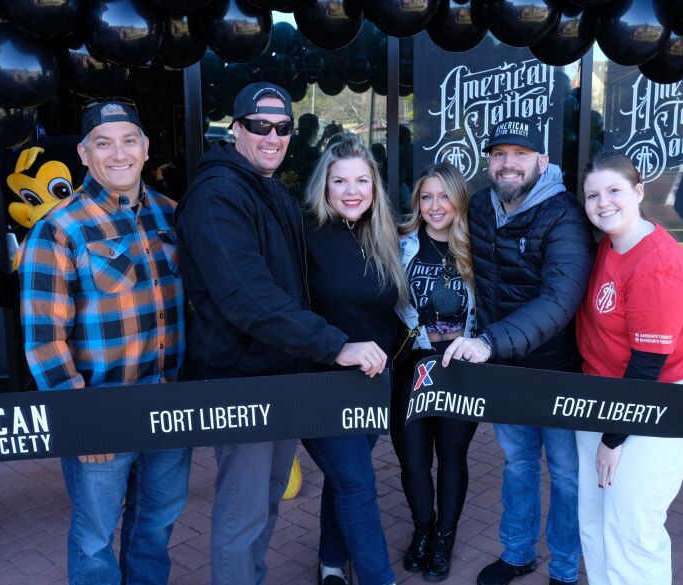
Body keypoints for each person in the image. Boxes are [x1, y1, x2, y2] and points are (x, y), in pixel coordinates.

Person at [174, 83, 384, 585]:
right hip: (243, 381)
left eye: (283, 127)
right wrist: (335, 344)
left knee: (265, 504)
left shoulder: (267, 188)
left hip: (279, 376)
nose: (273, 136)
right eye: (260, 125)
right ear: (236, 128)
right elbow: (248, 298)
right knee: (242, 514)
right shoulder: (217, 195)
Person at [18, 98, 191, 584]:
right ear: (83, 153)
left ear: (146, 147)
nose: (119, 154)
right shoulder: (57, 229)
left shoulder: (173, 215)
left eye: (129, 140)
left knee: (155, 529)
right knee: (95, 540)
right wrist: (81, 420)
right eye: (103, 143)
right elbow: (43, 339)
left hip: (170, 407)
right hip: (103, 412)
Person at [441, 116, 593, 585]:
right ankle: (518, 553)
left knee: (567, 476)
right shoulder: (482, 208)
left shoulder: (565, 214)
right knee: (518, 464)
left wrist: (487, 342)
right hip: (506, 370)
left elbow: (559, 300)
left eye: (520, 154)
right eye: (499, 154)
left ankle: (565, 570)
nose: (508, 164)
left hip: (558, 373)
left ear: (542, 161)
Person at [575, 152, 683, 585]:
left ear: (638, 191)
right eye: (593, 195)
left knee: (632, 526)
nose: (603, 202)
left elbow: (647, 367)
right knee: (595, 520)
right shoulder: (608, 246)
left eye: (614, 191)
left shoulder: (658, 266)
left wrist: (612, 439)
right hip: (603, 397)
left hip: (660, 402)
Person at [301, 135, 403, 585]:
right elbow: (287, 312)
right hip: (318, 383)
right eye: (339, 180)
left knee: (344, 479)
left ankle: (329, 562)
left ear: (375, 186)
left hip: (372, 384)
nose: (351, 190)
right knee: (358, 484)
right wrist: (334, 346)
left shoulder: (382, 233)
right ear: (323, 185)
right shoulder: (303, 233)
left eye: (362, 180)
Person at [392, 162, 478, 581]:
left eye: (444, 195)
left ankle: (445, 537)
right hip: (413, 367)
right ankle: (422, 530)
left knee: (452, 457)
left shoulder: (478, 247)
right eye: (426, 196)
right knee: (412, 460)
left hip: (460, 371)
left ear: (459, 199)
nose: (434, 205)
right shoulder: (401, 244)